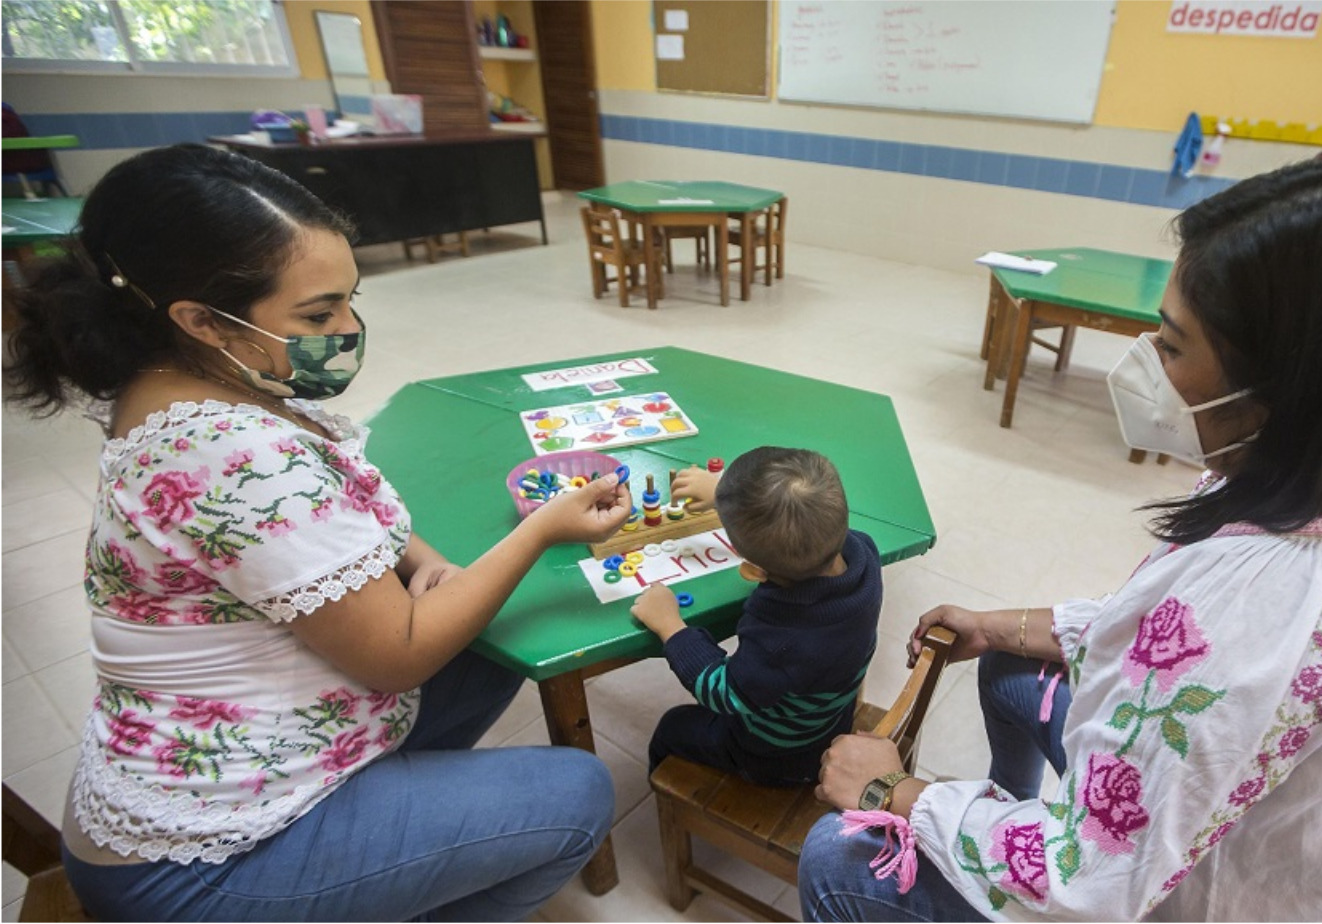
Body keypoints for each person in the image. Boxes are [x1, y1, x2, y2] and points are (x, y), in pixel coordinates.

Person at [798, 156, 1322, 921]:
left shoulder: (1264, 605)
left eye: (1170, 343)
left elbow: (1089, 882)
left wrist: (895, 791)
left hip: (1207, 897)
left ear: (1289, 385)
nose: (1149, 363)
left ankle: (992, 827)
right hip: (1303, 855)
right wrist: (1000, 626)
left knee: (838, 857)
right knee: (1014, 669)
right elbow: (1169, 647)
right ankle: (1005, 810)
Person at [3, 143, 633, 921]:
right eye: (316, 314)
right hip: (197, 865)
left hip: (246, 749)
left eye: (347, 299)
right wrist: (540, 530)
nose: (346, 328)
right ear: (200, 319)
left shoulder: (186, 381)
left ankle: (394, 838)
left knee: (489, 646)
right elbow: (397, 657)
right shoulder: (233, 453)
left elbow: (337, 510)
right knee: (577, 795)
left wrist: (426, 558)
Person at [630, 447, 882, 785]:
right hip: (829, 716)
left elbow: (724, 692)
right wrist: (725, 496)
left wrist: (671, 627)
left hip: (777, 755)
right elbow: (792, 519)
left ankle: (675, 795)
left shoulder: (781, 643)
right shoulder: (863, 555)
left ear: (755, 572)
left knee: (672, 727)